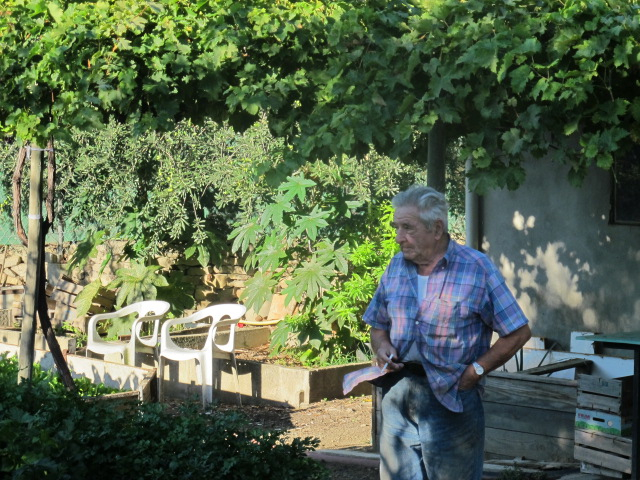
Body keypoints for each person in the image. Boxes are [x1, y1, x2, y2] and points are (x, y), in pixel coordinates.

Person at [365, 185, 531, 480]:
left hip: (452, 396)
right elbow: (377, 325)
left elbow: (518, 332)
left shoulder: (476, 268)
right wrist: (381, 346)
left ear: (437, 228)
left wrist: (475, 371)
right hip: (398, 394)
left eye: (407, 228)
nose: (399, 236)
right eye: (397, 227)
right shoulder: (396, 267)